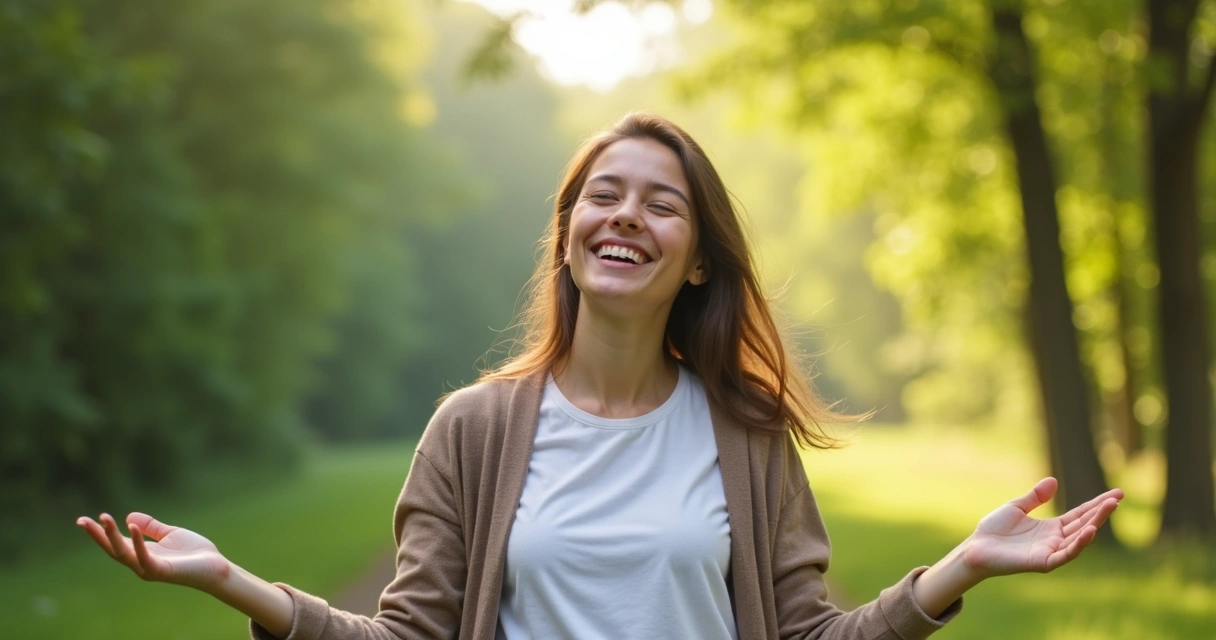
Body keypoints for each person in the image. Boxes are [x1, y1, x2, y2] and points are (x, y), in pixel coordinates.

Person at [78, 112, 1123, 640]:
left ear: (698, 257)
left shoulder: (746, 433)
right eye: (602, 194)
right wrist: (231, 583)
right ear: (570, 232)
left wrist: (959, 571)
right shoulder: (472, 428)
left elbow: (807, 634)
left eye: (660, 202)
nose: (625, 214)